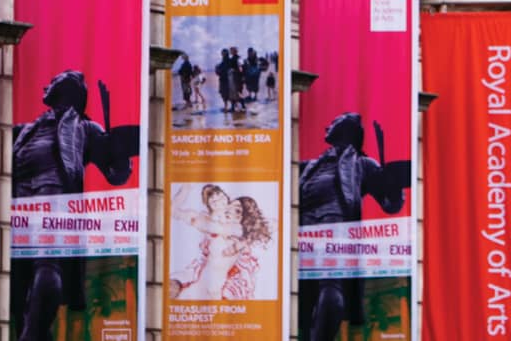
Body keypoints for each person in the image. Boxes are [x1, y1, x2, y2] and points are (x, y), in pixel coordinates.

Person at [11, 71, 141, 341]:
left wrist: (119, 151)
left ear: (67, 89)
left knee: (46, 262)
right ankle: (30, 330)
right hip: (18, 194)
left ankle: (32, 335)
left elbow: (116, 174)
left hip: (53, 192)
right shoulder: (27, 127)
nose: (46, 85)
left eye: (53, 82)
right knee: (17, 273)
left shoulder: (84, 127)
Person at [298, 112, 411, 341]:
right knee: (304, 290)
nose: (326, 126)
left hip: (334, 221)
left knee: (329, 281)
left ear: (347, 128)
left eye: (333, 122)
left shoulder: (361, 163)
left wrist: (392, 183)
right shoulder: (310, 164)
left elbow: (391, 205)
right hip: (303, 224)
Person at [172, 187, 273, 300]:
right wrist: (186, 189)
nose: (217, 200)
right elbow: (172, 211)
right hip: (198, 289)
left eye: (237, 210)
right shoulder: (210, 222)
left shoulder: (236, 230)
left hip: (214, 294)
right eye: (213, 200)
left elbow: (215, 228)